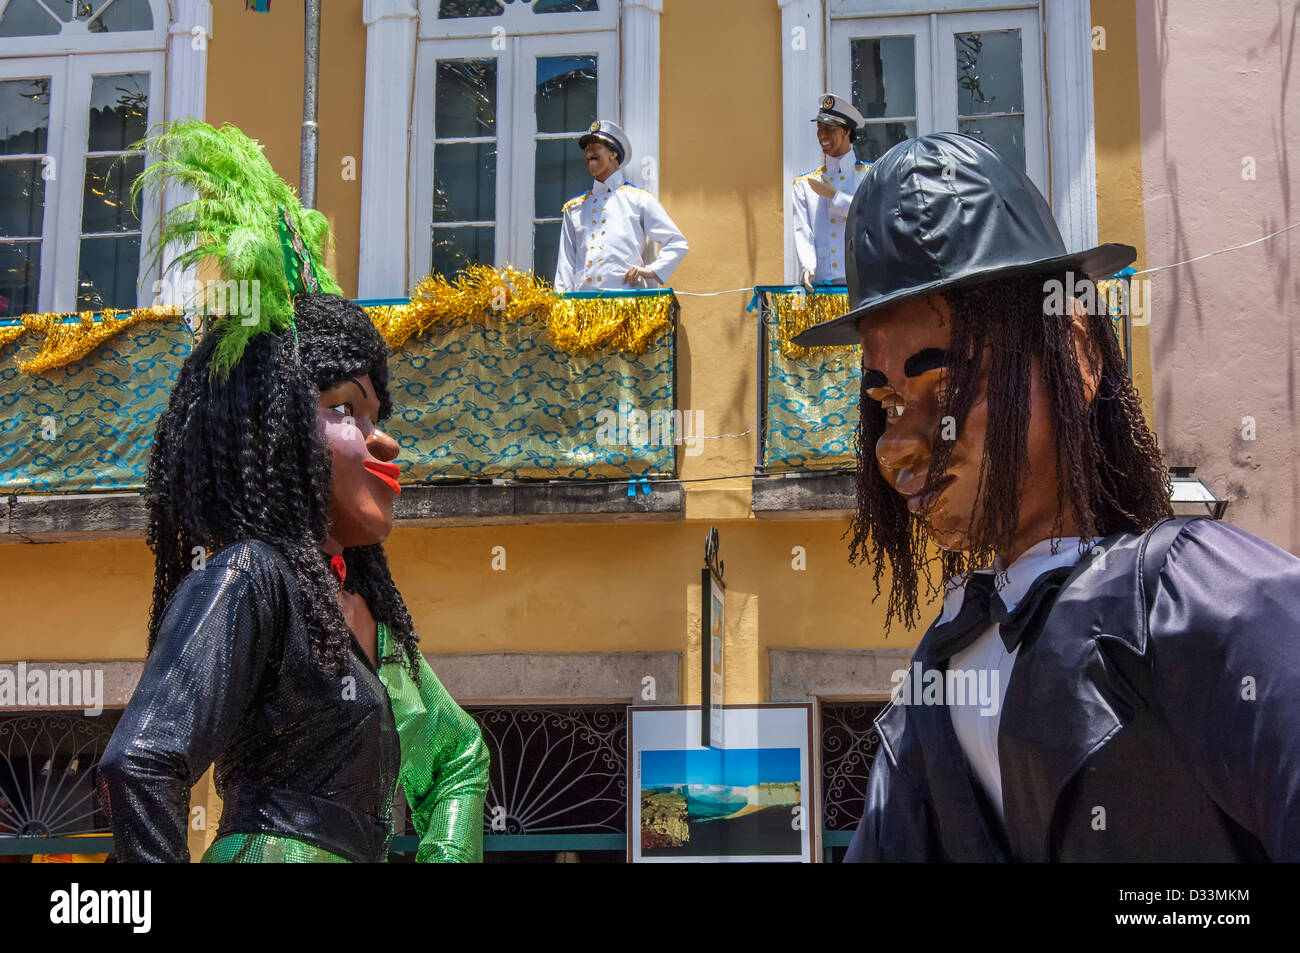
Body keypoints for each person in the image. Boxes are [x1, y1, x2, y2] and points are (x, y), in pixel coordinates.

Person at [794, 132, 1300, 861]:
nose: (895, 445)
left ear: (1079, 353)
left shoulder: (1204, 602)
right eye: (886, 401)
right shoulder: (929, 697)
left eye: (943, 383)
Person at [96, 120, 489, 863]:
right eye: (345, 408)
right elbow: (141, 760)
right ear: (275, 432)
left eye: (378, 414)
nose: (384, 439)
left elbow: (461, 754)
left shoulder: (363, 610)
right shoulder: (252, 575)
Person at [553, 119, 689, 293]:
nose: (589, 151)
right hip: (584, 306)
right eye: (586, 148)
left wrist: (652, 270)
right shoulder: (575, 208)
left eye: (596, 146)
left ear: (613, 153)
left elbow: (677, 242)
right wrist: (562, 307)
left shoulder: (638, 199)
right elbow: (566, 263)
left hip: (626, 301)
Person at [791, 94, 870, 291]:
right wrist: (807, 266)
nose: (822, 136)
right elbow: (803, 232)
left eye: (829, 129)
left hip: (862, 285)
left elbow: (871, 218)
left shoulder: (870, 176)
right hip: (821, 287)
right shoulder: (804, 184)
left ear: (846, 131)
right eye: (819, 129)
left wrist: (836, 197)